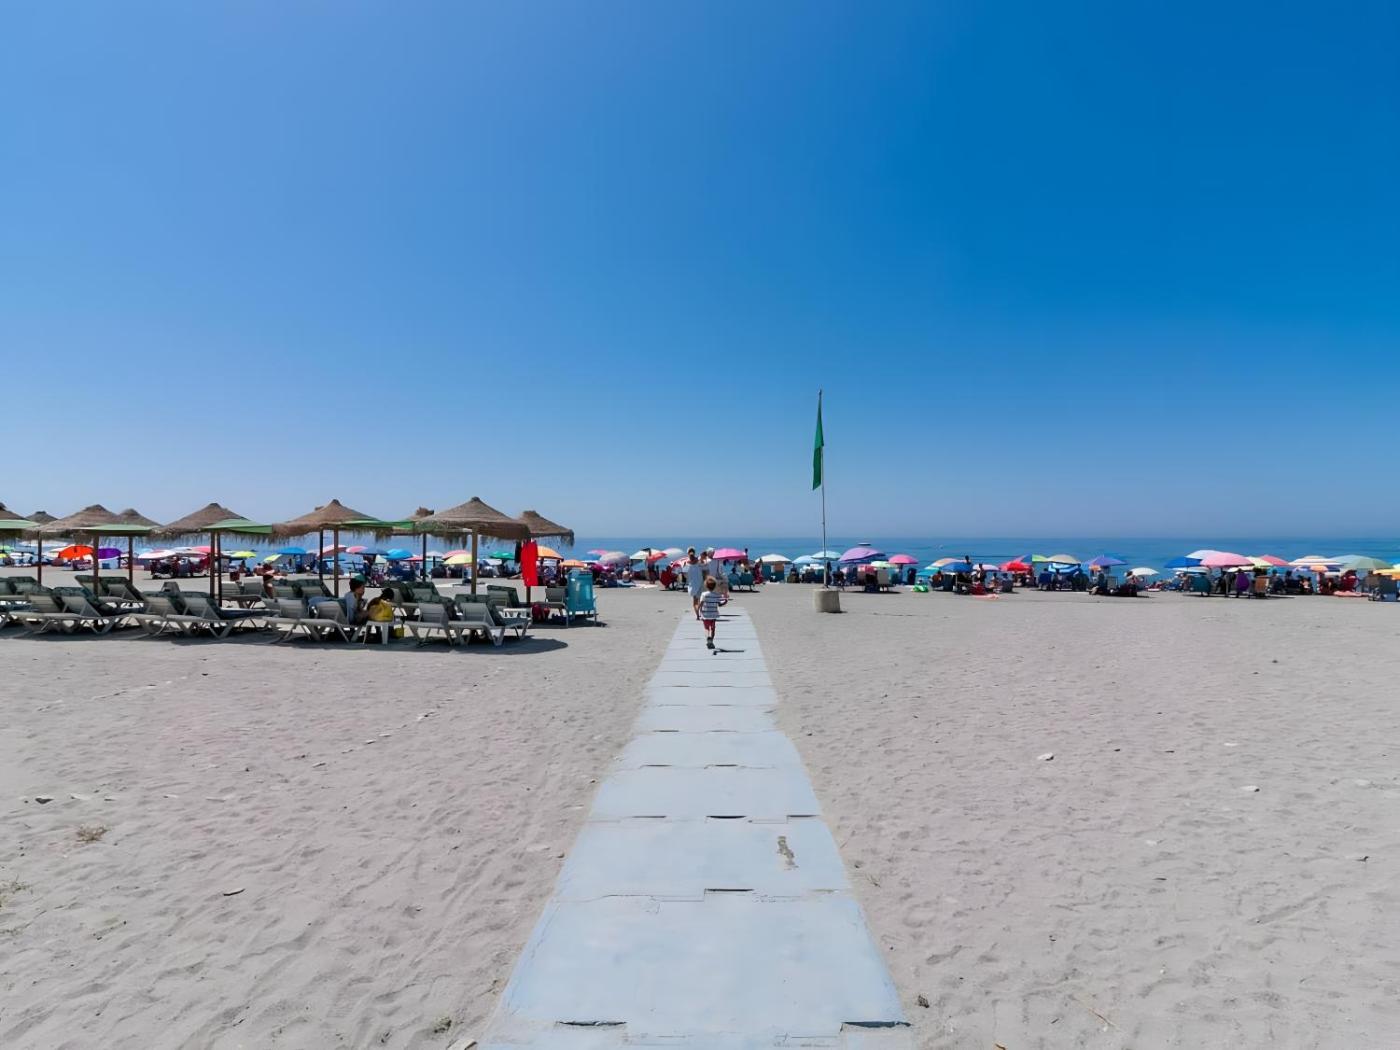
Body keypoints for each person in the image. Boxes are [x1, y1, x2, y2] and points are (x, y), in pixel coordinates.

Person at [698, 576, 723, 649]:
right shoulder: (716, 595)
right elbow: (719, 604)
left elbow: (701, 604)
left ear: (706, 586)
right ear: (715, 586)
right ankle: (711, 640)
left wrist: (699, 613)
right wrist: (725, 602)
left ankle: (708, 638)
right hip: (713, 614)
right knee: (712, 628)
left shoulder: (704, 594)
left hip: (705, 614)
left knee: (706, 628)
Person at [684, 548, 706, 619]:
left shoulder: (686, 563)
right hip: (700, 583)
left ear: (688, 554)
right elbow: (704, 570)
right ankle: (700, 612)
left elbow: (685, 575)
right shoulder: (699, 561)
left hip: (692, 584)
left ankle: (697, 615)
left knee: (695, 602)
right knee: (700, 600)